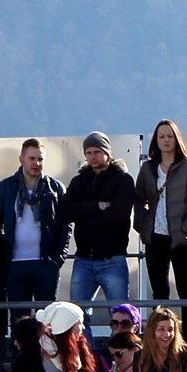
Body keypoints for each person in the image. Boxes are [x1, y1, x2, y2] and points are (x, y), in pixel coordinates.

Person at [133, 120, 187, 341]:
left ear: (177, 139)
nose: (166, 140)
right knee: (159, 293)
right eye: (161, 136)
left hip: (181, 240)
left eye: (170, 136)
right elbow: (139, 199)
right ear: (156, 140)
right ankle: (159, 340)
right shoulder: (148, 169)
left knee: (186, 292)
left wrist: (186, 227)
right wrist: (142, 224)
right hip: (155, 237)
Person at [58, 133, 135, 321]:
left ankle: (123, 342)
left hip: (112, 258)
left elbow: (119, 215)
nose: (92, 156)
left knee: (121, 315)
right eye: (89, 152)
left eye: (97, 152)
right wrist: (96, 206)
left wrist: (83, 215)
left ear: (108, 153)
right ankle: (84, 343)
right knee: (76, 316)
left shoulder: (123, 180)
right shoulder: (78, 182)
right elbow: (64, 212)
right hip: (83, 259)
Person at [0, 139, 69, 312]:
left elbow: (65, 224)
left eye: (40, 159)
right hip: (15, 264)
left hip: (46, 263)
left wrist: (58, 257)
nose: (36, 163)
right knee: (19, 318)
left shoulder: (55, 188)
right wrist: (2, 257)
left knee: (47, 317)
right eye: (32, 158)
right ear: (21, 159)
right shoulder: (5, 187)